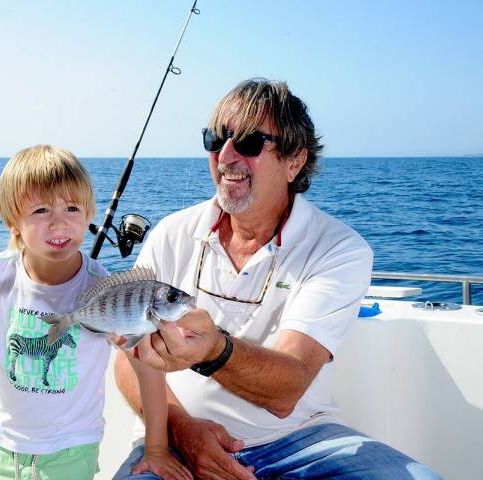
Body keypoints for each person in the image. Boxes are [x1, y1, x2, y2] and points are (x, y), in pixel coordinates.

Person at [113, 79, 442, 479]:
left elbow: (288, 388)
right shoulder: (172, 232)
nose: (225, 155)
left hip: (302, 441)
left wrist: (212, 349)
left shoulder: (338, 248)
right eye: (216, 138)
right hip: (176, 435)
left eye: (249, 142)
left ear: (294, 161)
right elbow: (128, 360)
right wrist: (182, 431)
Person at [0, 145, 190, 480]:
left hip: (71, 452)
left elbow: (148, 370)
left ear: (89, 215)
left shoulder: (106, 286)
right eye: (41, 210)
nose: (59, 223)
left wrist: (157, 450)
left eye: (72, 208)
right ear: (13, 223)